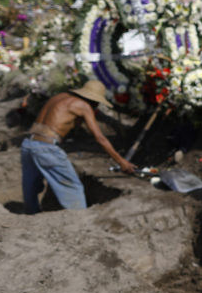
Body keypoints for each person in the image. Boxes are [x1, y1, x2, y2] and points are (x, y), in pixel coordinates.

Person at [21, 80, 135, 214]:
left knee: (31, 187)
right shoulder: (83, 106)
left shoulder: (59, 97)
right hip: (47, 147)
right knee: (72, 187)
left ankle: (31, 216)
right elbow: (100, 138)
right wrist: (121, 162)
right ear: (95, 100)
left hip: (28, 144)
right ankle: (80, 221)